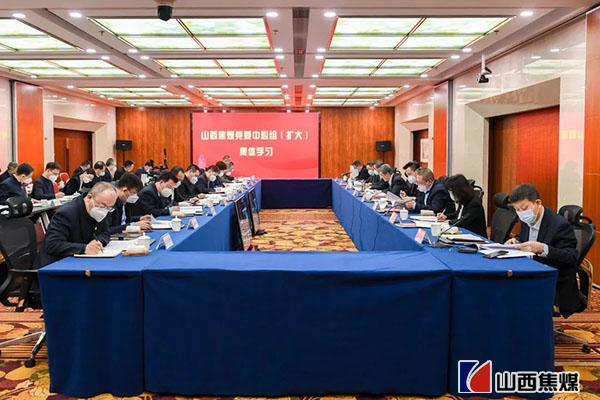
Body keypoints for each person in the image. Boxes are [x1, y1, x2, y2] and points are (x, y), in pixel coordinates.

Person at [505, 183, 584, 317]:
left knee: (509, 287)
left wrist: (543, 249)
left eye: (524, 208)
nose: (521, 213)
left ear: (537, 203)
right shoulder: (527, 219)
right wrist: (516, 240)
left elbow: (570, 257)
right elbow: (525, 238)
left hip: (552, 277)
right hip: (529, 268)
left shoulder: (559, 225)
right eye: (517, 210)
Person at [36, 182, 117, 267]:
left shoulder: (99, 211)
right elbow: (53, 244)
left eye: (109, 208)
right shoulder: (66, 213)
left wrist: (97, 242)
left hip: (81, 261)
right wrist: (84, 248)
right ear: (89, 197)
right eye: (103, 206)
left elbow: (105, 233)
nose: (104, 210)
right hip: (56, 264)